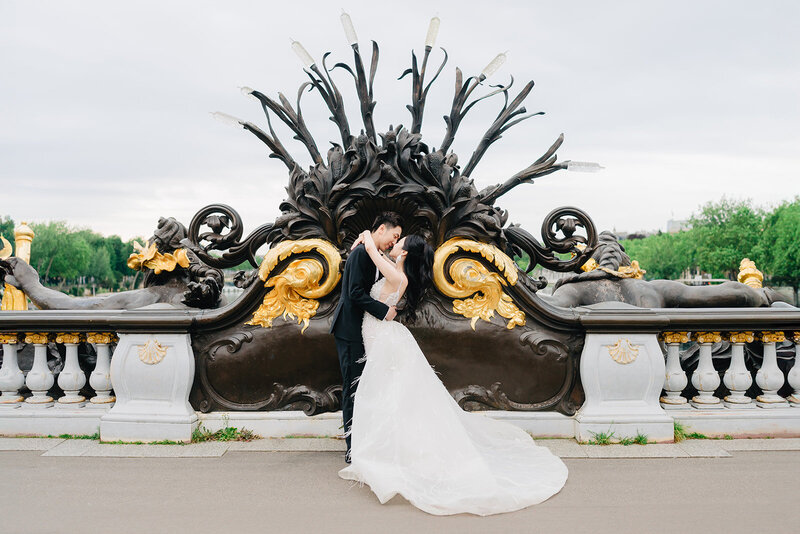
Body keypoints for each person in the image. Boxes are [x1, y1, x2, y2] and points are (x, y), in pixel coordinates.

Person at [338, 230, 569, 516]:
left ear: (406, 253)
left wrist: (367, 238)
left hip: (383, 336)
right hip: (379, 334)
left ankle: (387, 450)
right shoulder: (396, 272)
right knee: (386, 393)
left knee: (387, 393)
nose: (395, 244)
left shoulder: (398, 276)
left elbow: (373, 253)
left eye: (400, 241)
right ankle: (383, 447)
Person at [330, 212, 403, 463]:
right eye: (394, 236)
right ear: (381, 229)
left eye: (398, 239)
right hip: (349, 330)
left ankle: (363, 442)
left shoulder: (371, 252)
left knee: (362, 388)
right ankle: (352, 449)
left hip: (362, 330)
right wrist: (385, 312)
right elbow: (355, 294)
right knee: (353, 389)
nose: (394, 242)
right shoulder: (361, 254)